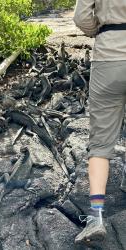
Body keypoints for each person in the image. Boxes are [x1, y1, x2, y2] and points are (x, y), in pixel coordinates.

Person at [73, 0, 126, 245]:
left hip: (108, 57)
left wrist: (100, 29)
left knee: (100, 144)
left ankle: (96, 216)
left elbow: (82, 17)